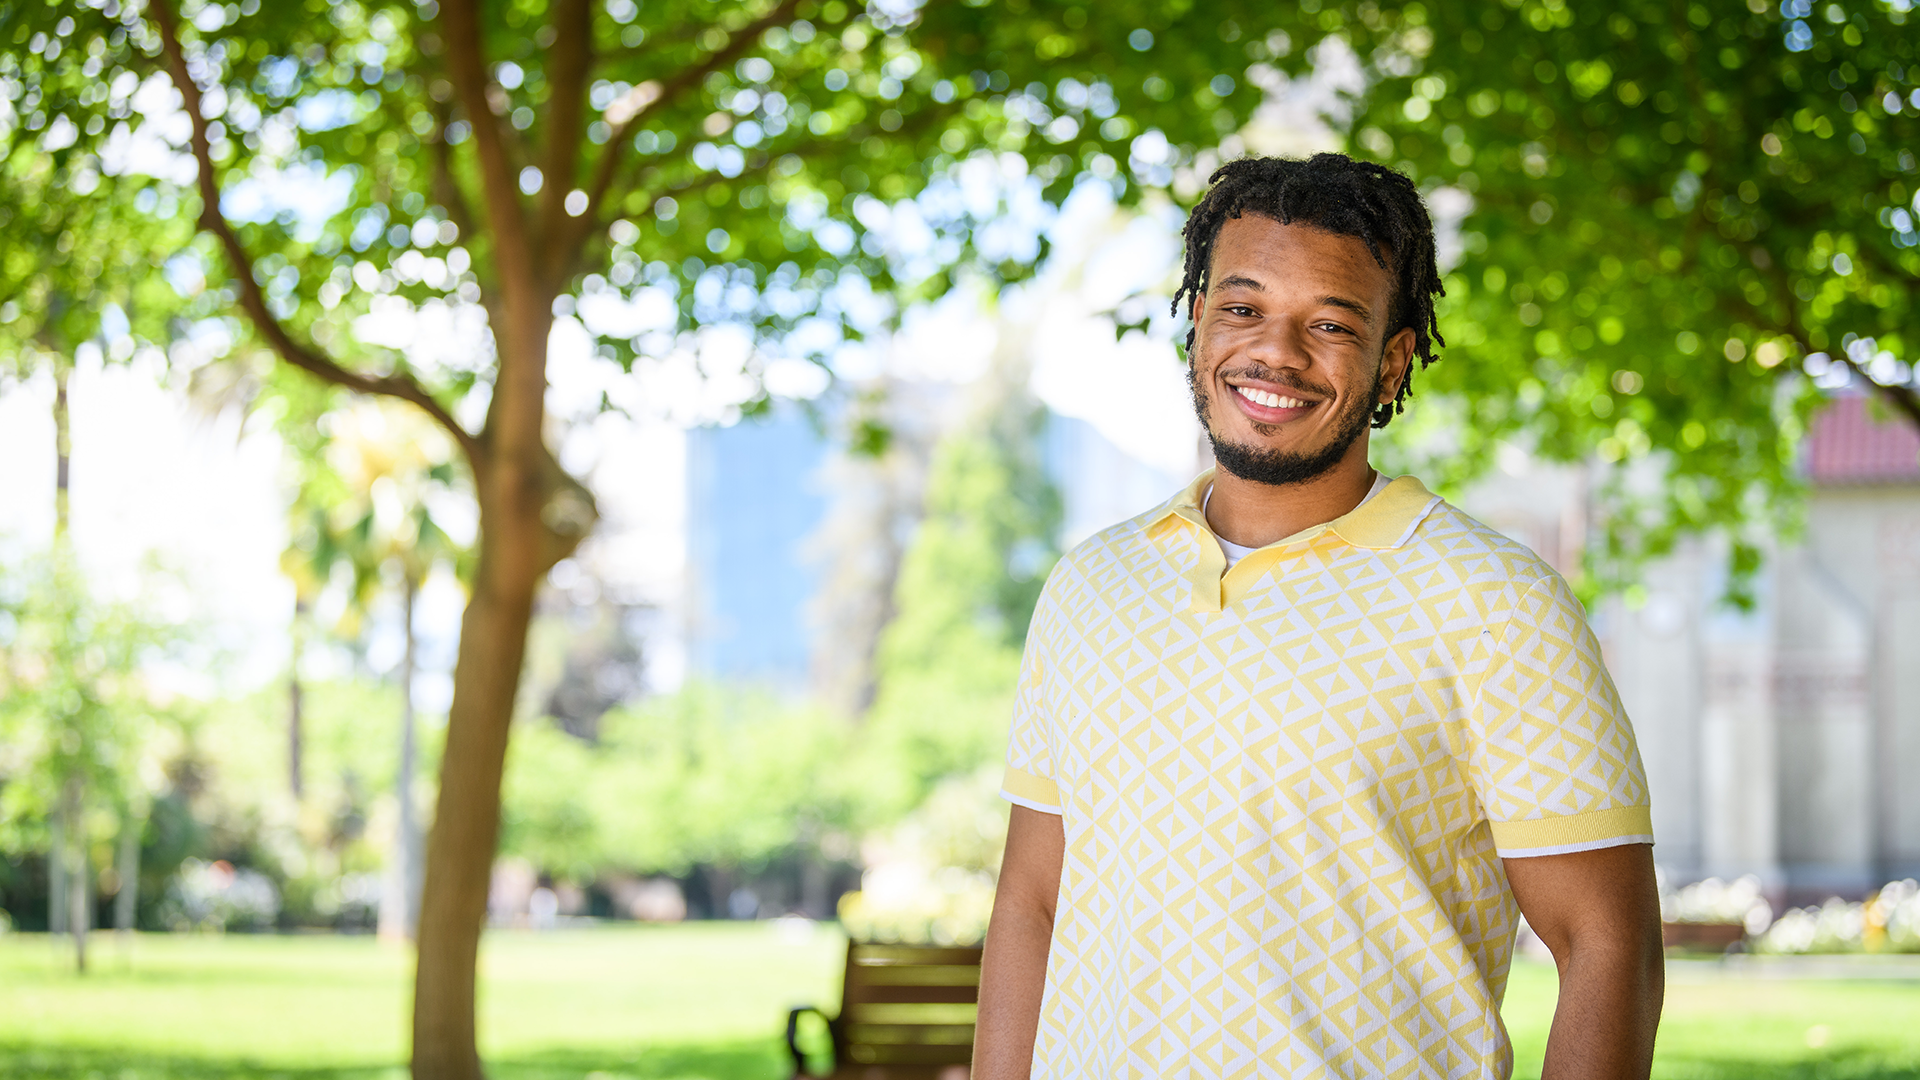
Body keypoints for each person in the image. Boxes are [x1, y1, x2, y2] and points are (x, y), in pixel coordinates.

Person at [973, 153, 1663, 1080]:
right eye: (1243, 308)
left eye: (1330, 324)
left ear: (1391, 363)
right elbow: (1033, 901)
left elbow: (1607, 945)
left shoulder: (1496, 600)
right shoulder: (1091, 586)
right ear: (1197, 326)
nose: (1277, 353)